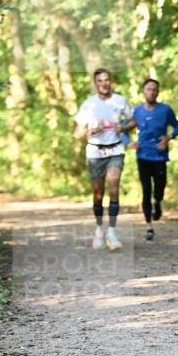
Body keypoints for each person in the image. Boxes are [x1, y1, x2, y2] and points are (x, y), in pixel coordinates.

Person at [74, 68, 135, 251]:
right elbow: (77, 133)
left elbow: (133, 121)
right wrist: (91, 131)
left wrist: (122, 129)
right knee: (98, 193)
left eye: (106, 80)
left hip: (115, 149)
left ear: (111, 82)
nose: (104, 83)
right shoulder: (88, 104)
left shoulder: (119, 100)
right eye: (100, 81)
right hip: (94, 152)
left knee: (114, 184)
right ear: (95, 83)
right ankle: (99, 229)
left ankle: (112, 232)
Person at [131, 78, 178, 241]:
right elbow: (124, 129)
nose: (151, 92)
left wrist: (168, 137)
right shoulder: (137, 111)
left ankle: (158, 202)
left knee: (159, 187)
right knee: (146, 189)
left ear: (158, 92)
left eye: (154, 89)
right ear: (143, 91)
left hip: (159, 156)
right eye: (148, 89)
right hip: (142, 156)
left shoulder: (165, 109)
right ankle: (149, 226)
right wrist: (129, 143)